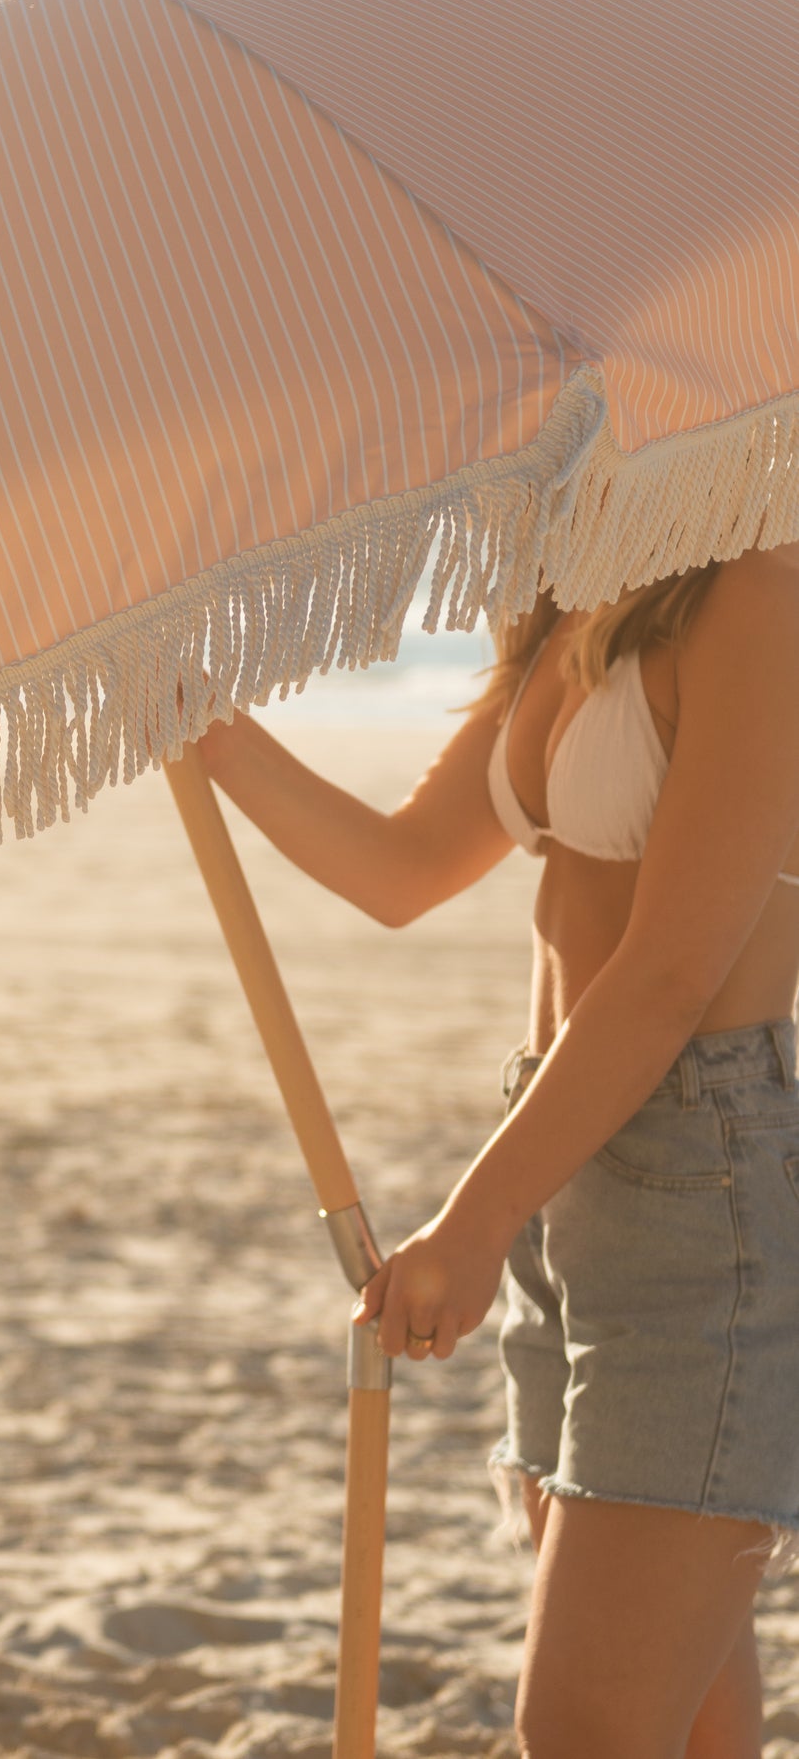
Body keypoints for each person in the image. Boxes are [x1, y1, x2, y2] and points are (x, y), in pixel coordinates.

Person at [193, 540, 799, 1759]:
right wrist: (196, 720)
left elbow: (670, 974)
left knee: (581, 1726)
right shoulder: (577, 588)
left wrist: (472, 1220)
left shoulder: (758, 587)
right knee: (682, 1711)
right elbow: (401, 867)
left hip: (699, 1187)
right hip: (558, 1159)